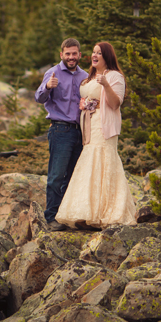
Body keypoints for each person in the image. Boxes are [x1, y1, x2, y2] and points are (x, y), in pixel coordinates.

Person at [54, 41, 137, 229]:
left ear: (107, 56)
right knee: (89, 160)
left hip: (104, 125)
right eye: (93, 52)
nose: (94, 55)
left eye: (99, 53)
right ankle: (86, 212)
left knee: (102, 159)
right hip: (88, 124)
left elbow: (116, 104)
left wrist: (106, 84)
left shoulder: (115, 76)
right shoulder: (90, 76)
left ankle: (105, 212)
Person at [35, 38, 88, 230]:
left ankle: (66, 215)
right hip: (60, 130)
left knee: (72, 177)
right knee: (56, 176)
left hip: (80, 132)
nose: (71, 57)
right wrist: (48, 86)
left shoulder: (85, 75)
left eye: (74, 54)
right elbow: (38, 98)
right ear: (61, 55)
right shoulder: (53, 72)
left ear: (80, 55)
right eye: (68, 54)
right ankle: (51, 217)